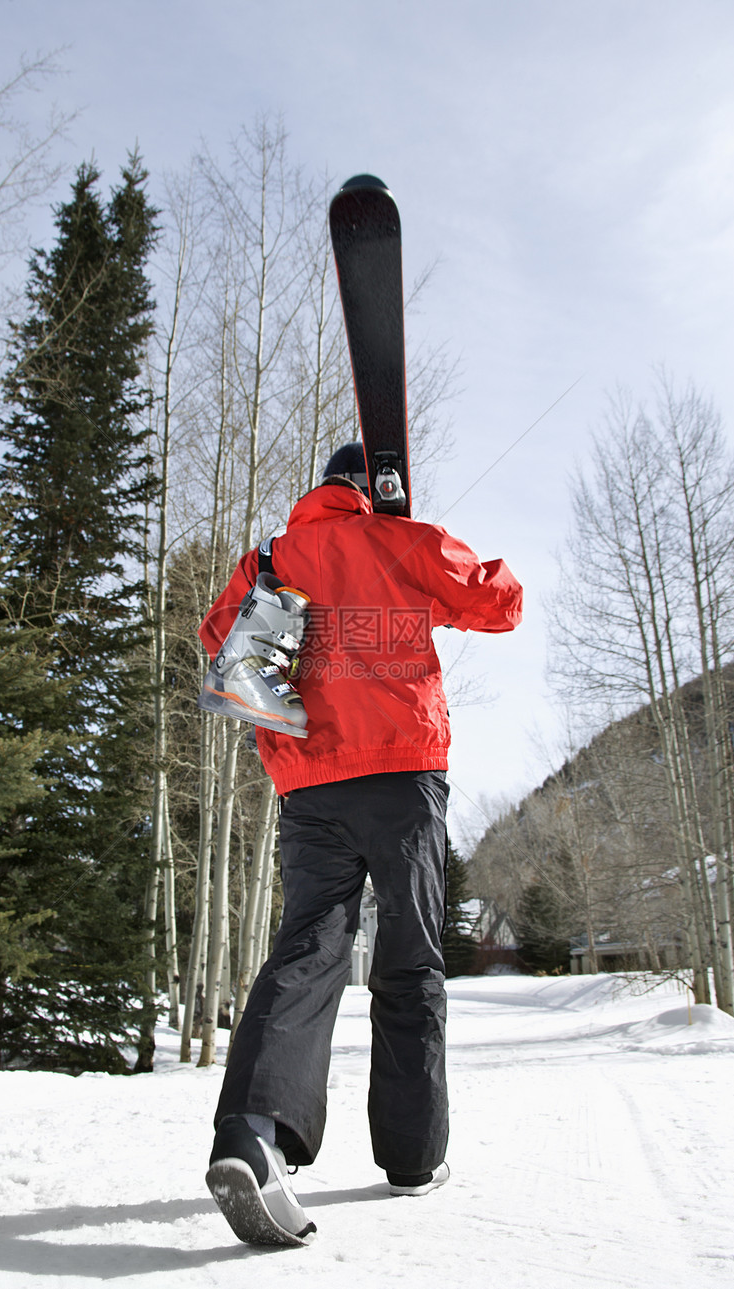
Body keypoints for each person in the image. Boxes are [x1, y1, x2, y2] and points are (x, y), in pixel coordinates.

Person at [198, 443, 523, 1246]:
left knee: (310, 945)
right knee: (410, 957)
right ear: (373, 488)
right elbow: (501, 604)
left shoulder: (273, 554)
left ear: (321, 490)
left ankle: (254, 1130)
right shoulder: (400, 538)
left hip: (308, 783)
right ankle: (413, 1157)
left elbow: (219, 641)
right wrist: (415, 532)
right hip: (402, 775)